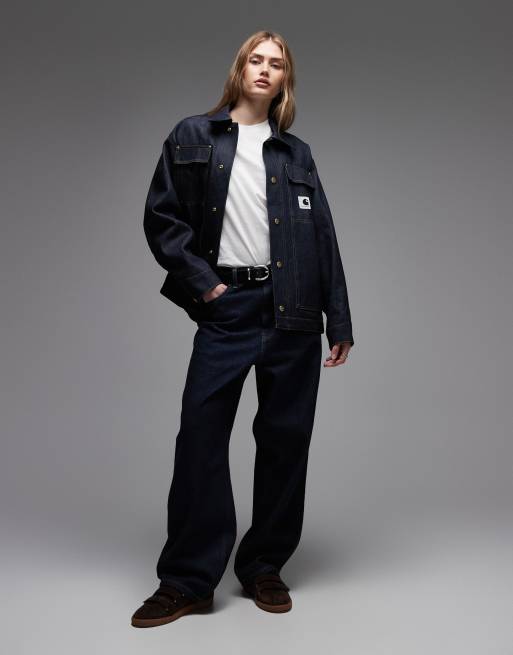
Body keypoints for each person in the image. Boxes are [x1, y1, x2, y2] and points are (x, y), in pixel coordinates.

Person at [131, 29, 354, 628]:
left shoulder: (296, 154)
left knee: (285, 441)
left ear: (284, 80)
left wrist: (339, 318)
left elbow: (323, 238)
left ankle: (263, 566)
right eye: (256, 59)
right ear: (239, 68)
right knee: (200, 438)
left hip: (295, 311)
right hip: (228, 307)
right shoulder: (192, 135)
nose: (264, 70)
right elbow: (161, 217)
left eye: (275, 64)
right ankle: (187, 579)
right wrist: (205, 284)